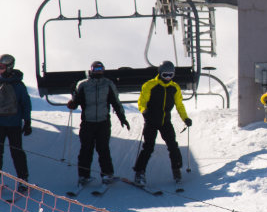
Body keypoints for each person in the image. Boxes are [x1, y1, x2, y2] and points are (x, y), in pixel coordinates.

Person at [66, 60, 130, 191]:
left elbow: (115, 102)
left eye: (100, 69)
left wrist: (122, 117)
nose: (98, 72)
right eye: (96, 69)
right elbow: (76, 101)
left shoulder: (108, 84)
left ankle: (107, 175)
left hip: (103, 122)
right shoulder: (83, 84)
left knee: (103, 149)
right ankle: (83, 176)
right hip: (87, 122)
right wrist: (72, 103)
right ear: (91, 70)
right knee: (86, 149)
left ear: (104, 70)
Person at [132, 60, 191, 188]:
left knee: (173, 146)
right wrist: (144, 111)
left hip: (165, 122)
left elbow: (179, 105)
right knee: (148, 147)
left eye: (171, 75)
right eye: (165, 75)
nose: (168, 78)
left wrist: (185, 118)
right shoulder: (150, 85)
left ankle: (177, 171)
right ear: (160, 73)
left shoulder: (174, 87)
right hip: (151, 121)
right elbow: (142, 102)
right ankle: (139, 173)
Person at [0, 54, 33, 195]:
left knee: (8, 153)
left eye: (2, 66)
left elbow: (26, 103)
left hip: (6, 124)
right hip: (5, 124)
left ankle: (22, 180)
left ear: (10, 66)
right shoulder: (12, 84)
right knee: (0, 153)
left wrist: (27, 121)